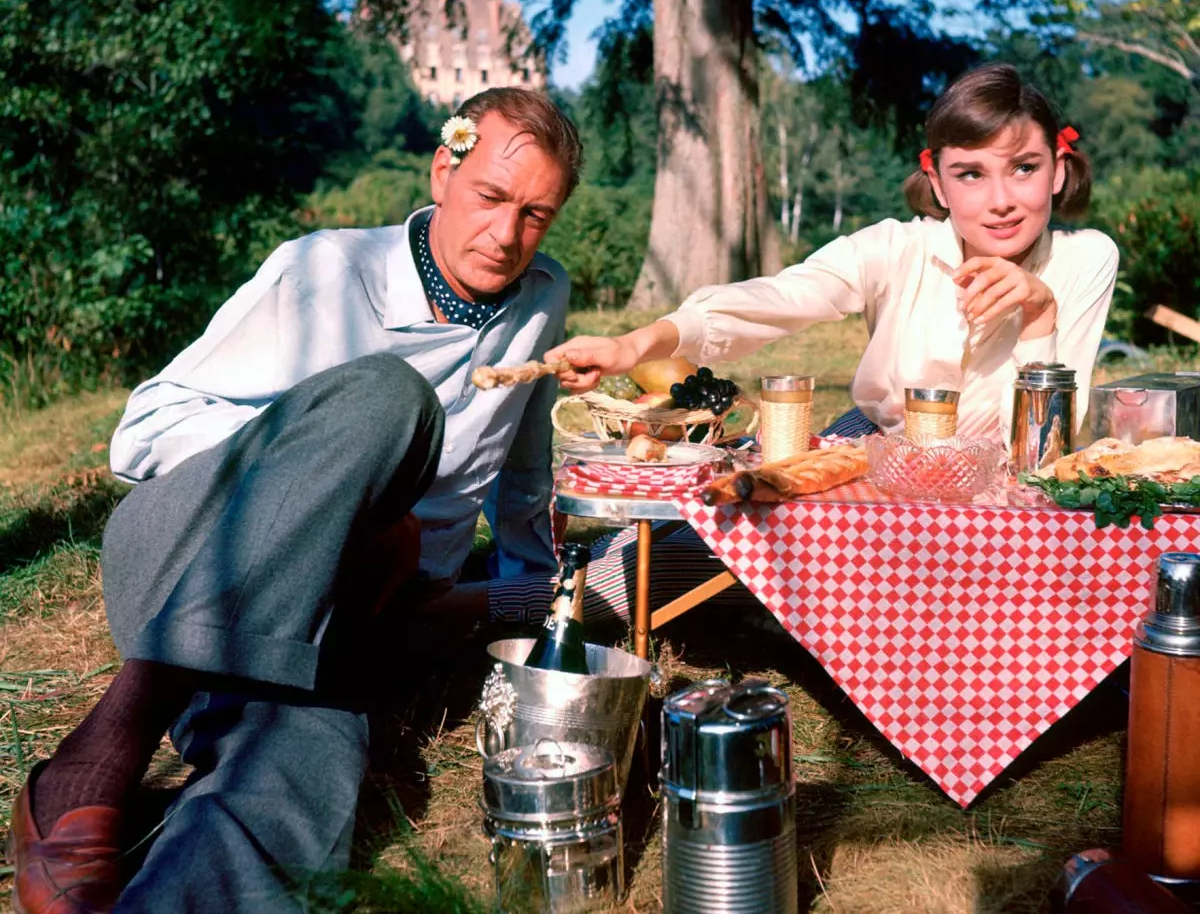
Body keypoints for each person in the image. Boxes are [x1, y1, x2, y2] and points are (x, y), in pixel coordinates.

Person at [6, 87, 582, 914]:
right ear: (444, 168)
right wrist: (329, 489)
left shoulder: (543, 298)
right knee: (390, 402)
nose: (506, 234)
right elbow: (141, 432)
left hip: (340, 620)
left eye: (536, 214)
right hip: (193, 559)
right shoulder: (324, 269)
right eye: (491, 196)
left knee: (307, 765)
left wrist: (530, 605)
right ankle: (102, 749)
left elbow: (524, 470)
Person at [478, 62, 1120, 629]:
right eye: (972, 174)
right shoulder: (896, 247)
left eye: (1025, 169)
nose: (1002, 200)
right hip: (871, 449)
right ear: (939, 182)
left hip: (998, 496)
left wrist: (1039, 311)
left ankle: (513, 598)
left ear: (1059, 171)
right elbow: (779, 299)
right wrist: (635, 344)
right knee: (701, 539)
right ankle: (485, 604)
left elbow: (1041, 465)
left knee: (777, 574)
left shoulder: (1084, 258)